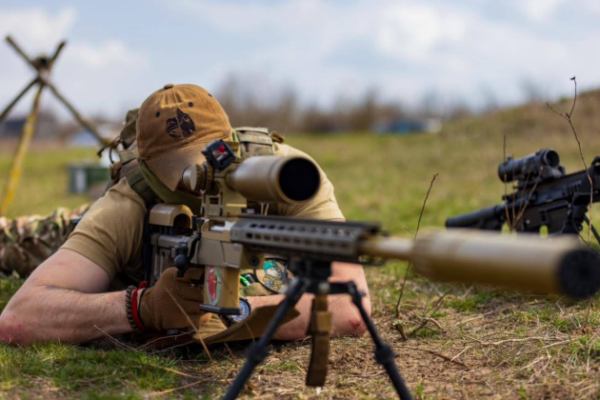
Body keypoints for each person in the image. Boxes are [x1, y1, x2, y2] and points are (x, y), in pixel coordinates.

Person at [0, 84, 370, 345]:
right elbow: (20, 317)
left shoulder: (288, 176)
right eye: (181, 169)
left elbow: (350, 308)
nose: (200, 180)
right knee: (20, 238)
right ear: (147, 167)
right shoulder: (124, 207)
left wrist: (236, 312)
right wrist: (142, 307)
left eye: (211, 156)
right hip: (89, 229)